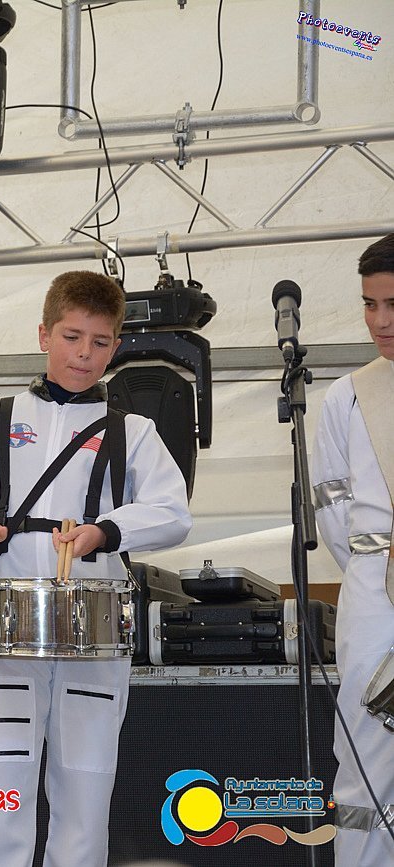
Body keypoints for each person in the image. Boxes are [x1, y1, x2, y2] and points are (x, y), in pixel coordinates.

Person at [0, 270, 191, 867]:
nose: (84, 354)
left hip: (93, 624)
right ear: (44, 335)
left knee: (86, 777)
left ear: (116, 346)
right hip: (7, 625)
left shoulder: (135, 431)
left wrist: (106, 531)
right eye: (72, 337)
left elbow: (173, 513)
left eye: (99, 342)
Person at [311, 233, 394, 866]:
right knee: (366, 750)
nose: (380, 320)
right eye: (369, 304)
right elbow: (332, 511)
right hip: (375, 589)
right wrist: (375, 567)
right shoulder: (347, 395)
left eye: (393, 304)